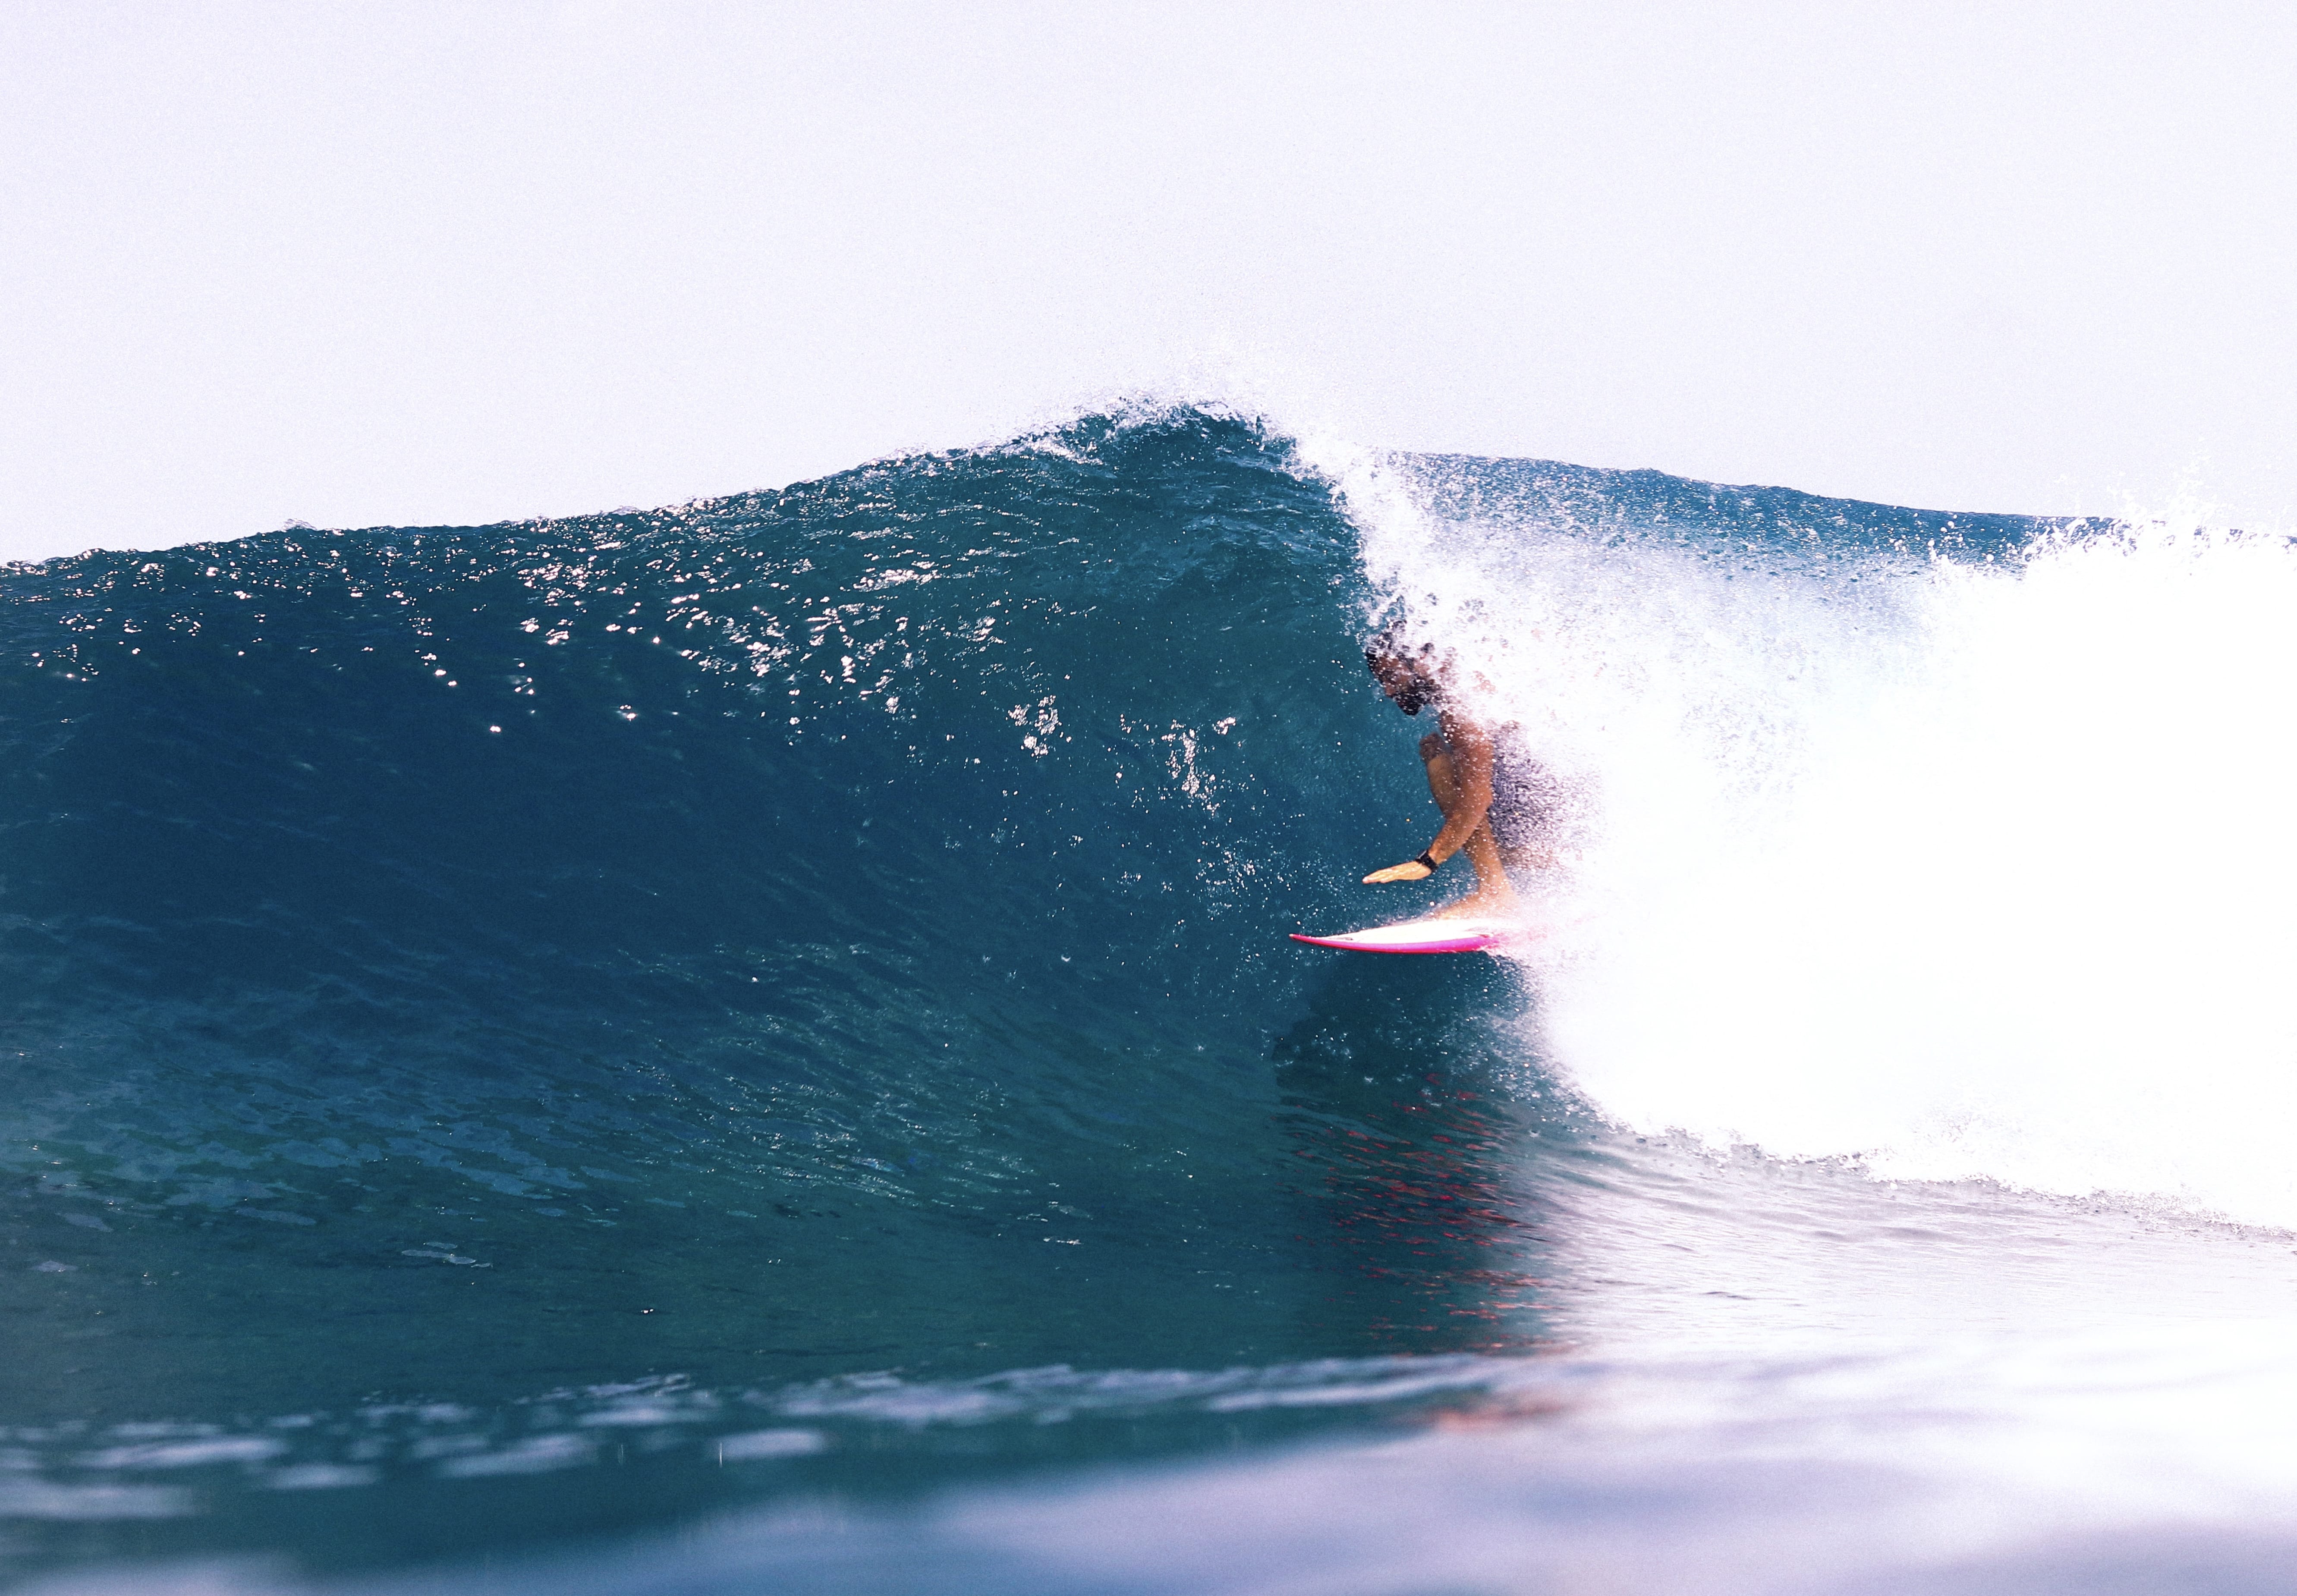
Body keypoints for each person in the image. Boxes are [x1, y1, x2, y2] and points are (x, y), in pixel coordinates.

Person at [1361, 635, 1549, 920]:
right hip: (1565, 795)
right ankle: (1571, 861)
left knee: (1443, 767)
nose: (1388, 690)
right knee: (1493, 848)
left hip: (1552, 796)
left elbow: (1478, 799)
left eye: (1390, 676)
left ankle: (1495, 893)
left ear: (1421, 662)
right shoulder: (1472, 676)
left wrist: (1428, 861)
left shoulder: (1459, 710)